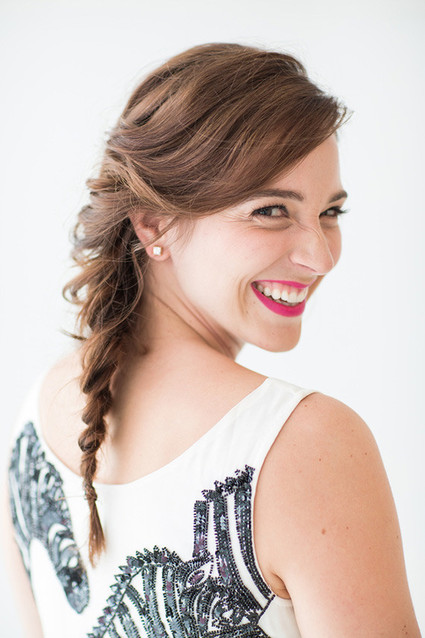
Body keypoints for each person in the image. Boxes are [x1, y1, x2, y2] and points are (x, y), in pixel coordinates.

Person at [2, 42, 420, 638]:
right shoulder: (306, 445)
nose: (321, 256)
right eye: (271, 210)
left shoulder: (43, 407)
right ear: (154, 222)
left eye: (331, 212)